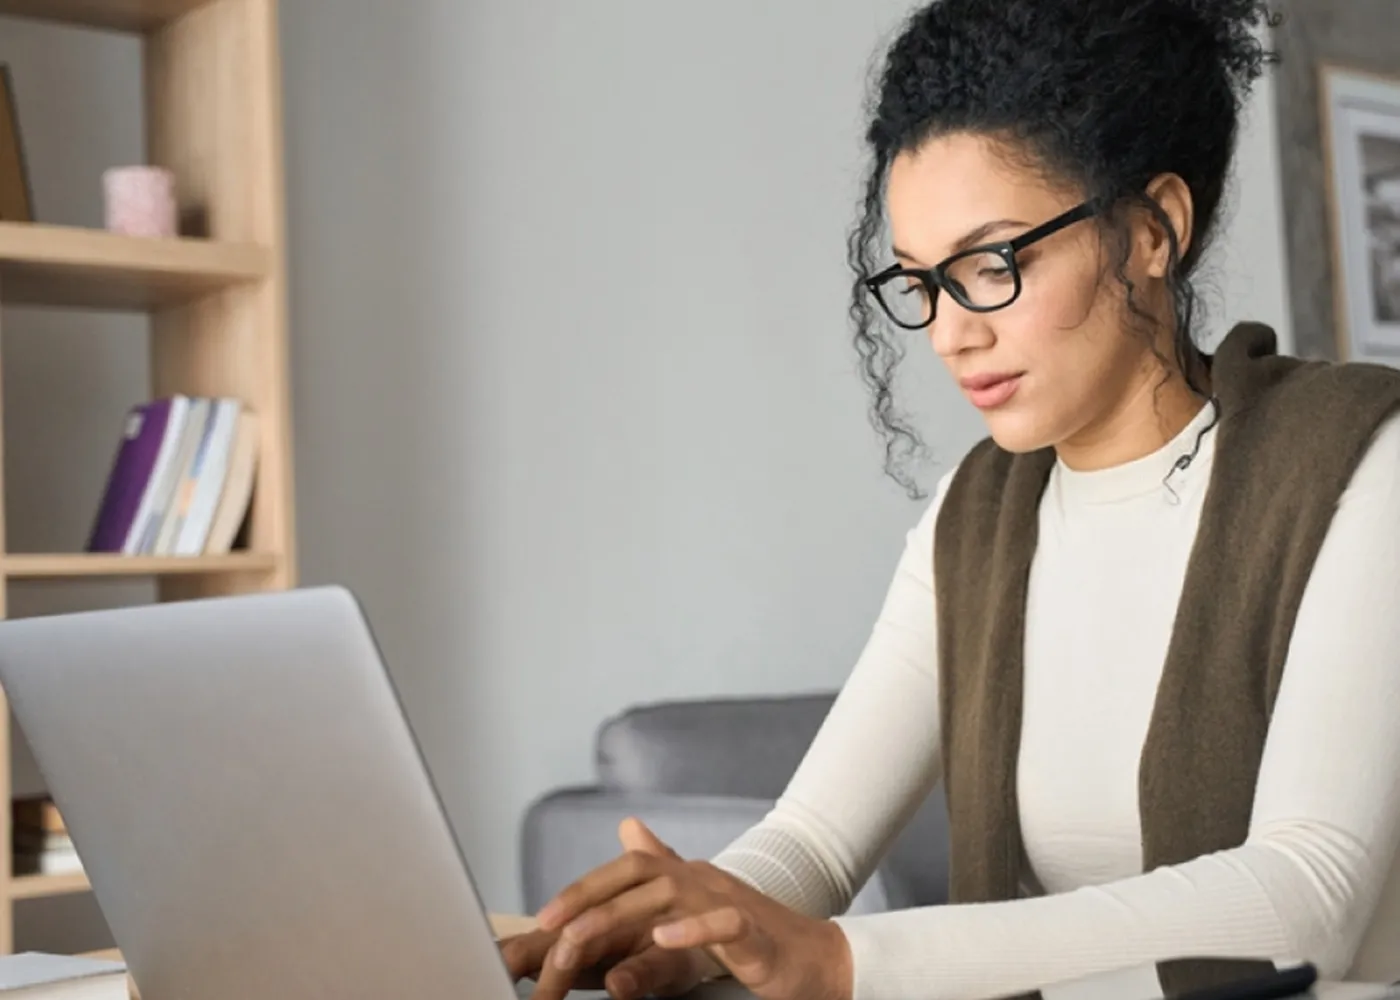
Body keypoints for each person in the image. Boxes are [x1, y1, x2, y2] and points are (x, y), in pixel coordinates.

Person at [502, 1, 1400, 998]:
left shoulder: (1358, 461)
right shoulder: (974, 517)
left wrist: (850, 961)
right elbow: (813, 838)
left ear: (1152, 230)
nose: (947, 334)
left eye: (991, 264)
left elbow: (1307, 889)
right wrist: (697, 923)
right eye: (921, 282)